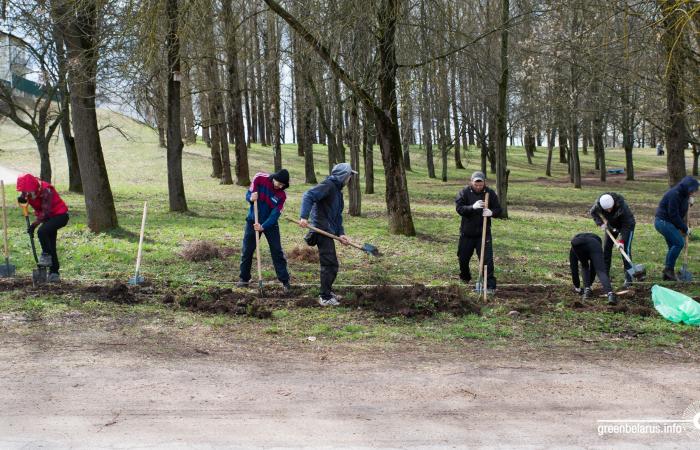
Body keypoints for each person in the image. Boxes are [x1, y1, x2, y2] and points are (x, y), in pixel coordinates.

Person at [298, 162, 357, 306]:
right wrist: (304, 217)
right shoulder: (328, 185)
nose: (350, 178)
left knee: (331, 263)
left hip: (328, 230)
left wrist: (341, 233)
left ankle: (327, 292)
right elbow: (308, 195)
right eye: (349, 175)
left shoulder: (337, 191)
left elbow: (337, 216)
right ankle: (324, 297)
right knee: (329, 264)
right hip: (321, 229)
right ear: (344, 176)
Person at [237, 169, 291, 292]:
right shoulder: (259, 178)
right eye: (279, 183)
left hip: (270, 224)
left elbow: (275, 214)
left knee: (277, 251)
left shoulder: (282, 195)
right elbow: (248, 194)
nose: (280, 186)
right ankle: (244, 279)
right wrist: (251, 198)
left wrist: (263, 226)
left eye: (283, 185)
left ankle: (285, 281)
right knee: (247, 250)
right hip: (253, 220)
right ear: (274, 178)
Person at [16, 173, 69, 282]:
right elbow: (24, 198)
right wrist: (21, 199)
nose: (25, 193)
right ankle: (54, 273)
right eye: (24, 191)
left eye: (27, 191)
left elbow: (46, 212)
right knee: (51, 245)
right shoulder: (27, 191)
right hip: (48, 218)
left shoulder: (46, 190)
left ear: (33, 187)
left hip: (60, 216)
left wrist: (34, 225)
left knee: (42, 231)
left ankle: (46, 254)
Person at [455, 171, 502, 293]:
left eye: (480, 184)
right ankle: (465, 277)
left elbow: (498, 209)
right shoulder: (464, 192)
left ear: (484, 182)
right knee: (463, 258)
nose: (478, 187)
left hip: (483, 234)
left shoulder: (489, 193)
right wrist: (472, 207)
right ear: (471, 182)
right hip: (467, 233)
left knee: (487, 261)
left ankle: (489, 285)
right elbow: (459, 208)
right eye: (476, 184)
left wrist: (492, 212)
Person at [654, 176, 699, 281]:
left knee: (672, 246)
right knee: (679, 243)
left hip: (668, 222)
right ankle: (668, 270)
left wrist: (689, 203)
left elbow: (681, 209)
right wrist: (685, 228)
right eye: (692, 191)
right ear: (688, 187)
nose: (693, 193)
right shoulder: (674, 194)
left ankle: (667, 274)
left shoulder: (684, 194)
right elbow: (673, 215)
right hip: (663, 222)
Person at [589, 193, 636, 287]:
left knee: (625, 250)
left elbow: (626, 226)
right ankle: (605, 275)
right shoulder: (599, 204)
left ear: (614, 203)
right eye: (606, 210)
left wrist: (621, 241)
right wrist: (600, 223)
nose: (609, 211)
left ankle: (628, 278)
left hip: (627, 226)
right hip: (612, 225)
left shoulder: (622, 207)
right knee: (606, 248)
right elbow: (593, 212)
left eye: (610, 208)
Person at [570, 232, 617, 305]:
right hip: (595, 243)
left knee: (584, 265)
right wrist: (590, 283)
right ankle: (610, 295)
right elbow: (594, 267)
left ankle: (587, 291)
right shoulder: (596, 240)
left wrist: (577, 287)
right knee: (601, 271)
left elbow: (574, 268)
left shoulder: (574, 248)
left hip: (578, 244)